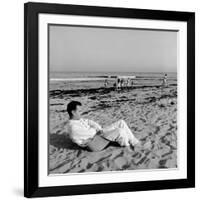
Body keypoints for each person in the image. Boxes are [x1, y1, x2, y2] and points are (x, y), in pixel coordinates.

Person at [65, 101, 140, 151]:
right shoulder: (73, 127)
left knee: (121, 122)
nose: (81, 113)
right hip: (94, 143)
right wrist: (95, 130)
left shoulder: (78, 119)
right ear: (73, 112)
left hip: (98, 135)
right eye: (79, 111)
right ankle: (126, 146)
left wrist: (98, 128)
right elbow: (91, 133)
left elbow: (90, 122)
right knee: (120, 131)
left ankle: (134, 142)